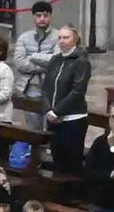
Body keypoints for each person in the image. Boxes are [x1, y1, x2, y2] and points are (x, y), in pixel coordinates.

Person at [39, 23, 92, 175]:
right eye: (60, 38)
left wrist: (57, 111)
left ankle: (72, 195)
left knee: (71, 162)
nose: (62, 41)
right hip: (53, 118)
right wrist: (48, 110)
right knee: (57, 159)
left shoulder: (81, 62)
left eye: (66, 37)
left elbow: (77, 91)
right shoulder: (55, 60)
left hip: (73, 119)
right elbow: (46, 88)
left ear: (75, 39)